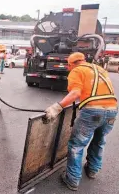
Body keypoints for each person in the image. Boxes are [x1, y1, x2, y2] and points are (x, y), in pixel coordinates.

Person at [44, 52, 118, 191]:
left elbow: (76, 93)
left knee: (76, 145)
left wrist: (57, 107)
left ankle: (72, 179)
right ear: (84, 60)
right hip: (112, 110)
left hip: (92, 111)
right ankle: (92, 170)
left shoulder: (77, 70)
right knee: (99, 140)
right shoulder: (99, 68)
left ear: (71, 64)